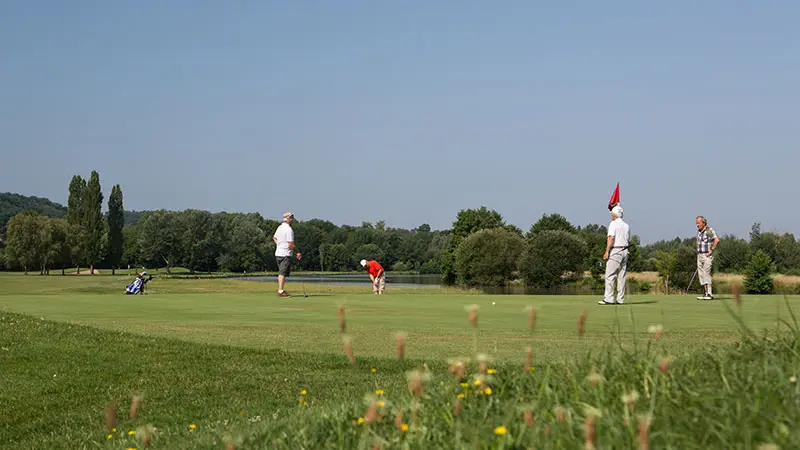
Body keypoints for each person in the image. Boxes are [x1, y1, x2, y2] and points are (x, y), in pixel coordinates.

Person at [600, 205, 630, 305]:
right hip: (625, 251)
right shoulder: (626, 225)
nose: (611, 215)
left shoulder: (613, 224)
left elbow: (611, 238)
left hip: (616, 250)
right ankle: (620, 299)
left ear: (615, 214)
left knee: (610, 275)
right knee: (622, 276)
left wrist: (607, 251)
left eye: (612, 214)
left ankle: (609, 298)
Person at [273, 212, 301, 297]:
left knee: (282, 273)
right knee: (282, 273)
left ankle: (281, 289)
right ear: (288, 219)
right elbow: (290, 244)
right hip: (285, 254)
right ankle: (280, 291)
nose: (292, 220)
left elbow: (274, 238)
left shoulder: (280, 227)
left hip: (278, 253)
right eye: (291, 218)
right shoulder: (289, 230)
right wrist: (298, 252)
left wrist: (279, 244)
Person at [695, 215, 720, 300]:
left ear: (703, 222)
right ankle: (706, 293)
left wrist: (711, 250)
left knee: (706, 273)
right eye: (696, 223)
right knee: (701, 274)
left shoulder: (709, 230)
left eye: (698, 223)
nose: (697, 225)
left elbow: (717, 240)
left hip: (707, 255)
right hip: (700, 255)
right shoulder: (698, 232)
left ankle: (710, 293)